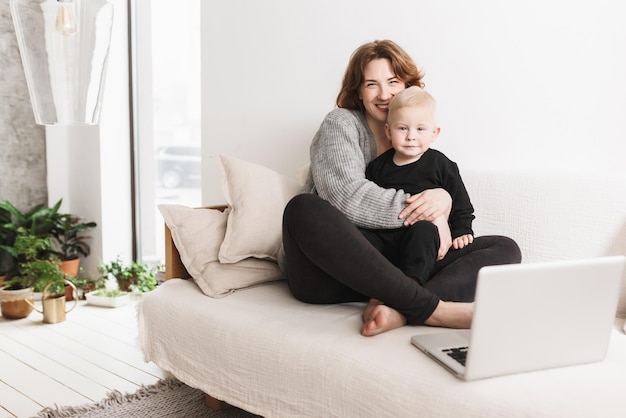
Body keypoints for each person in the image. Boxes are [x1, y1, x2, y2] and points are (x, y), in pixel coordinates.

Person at [281, 40, 521, 337]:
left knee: (504, 248)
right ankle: (433, 310)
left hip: (400, 264)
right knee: (302, 208)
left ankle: (398, 308)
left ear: (408, 84)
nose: (384, 94)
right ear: (358, 91)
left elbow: (451, 202)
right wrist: (428, 212)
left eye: (393, 81)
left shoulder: (416, 140)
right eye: (371, 84)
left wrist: (443, 199)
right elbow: (344, 197)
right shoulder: (341, 123)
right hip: (335, 268)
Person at [360, 86, 474, 285]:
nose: (411, 136)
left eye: (420, 129)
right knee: (361, 237)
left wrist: (462, 231)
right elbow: (368, 204)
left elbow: (461, 203)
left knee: (425, 230)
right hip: (387, 240)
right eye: (402, 128)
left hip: (425, 243)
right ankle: (382, 283)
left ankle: (410, 284)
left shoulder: (441, 165)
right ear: (388, 130)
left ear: (434, 133)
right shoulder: (377, 167)